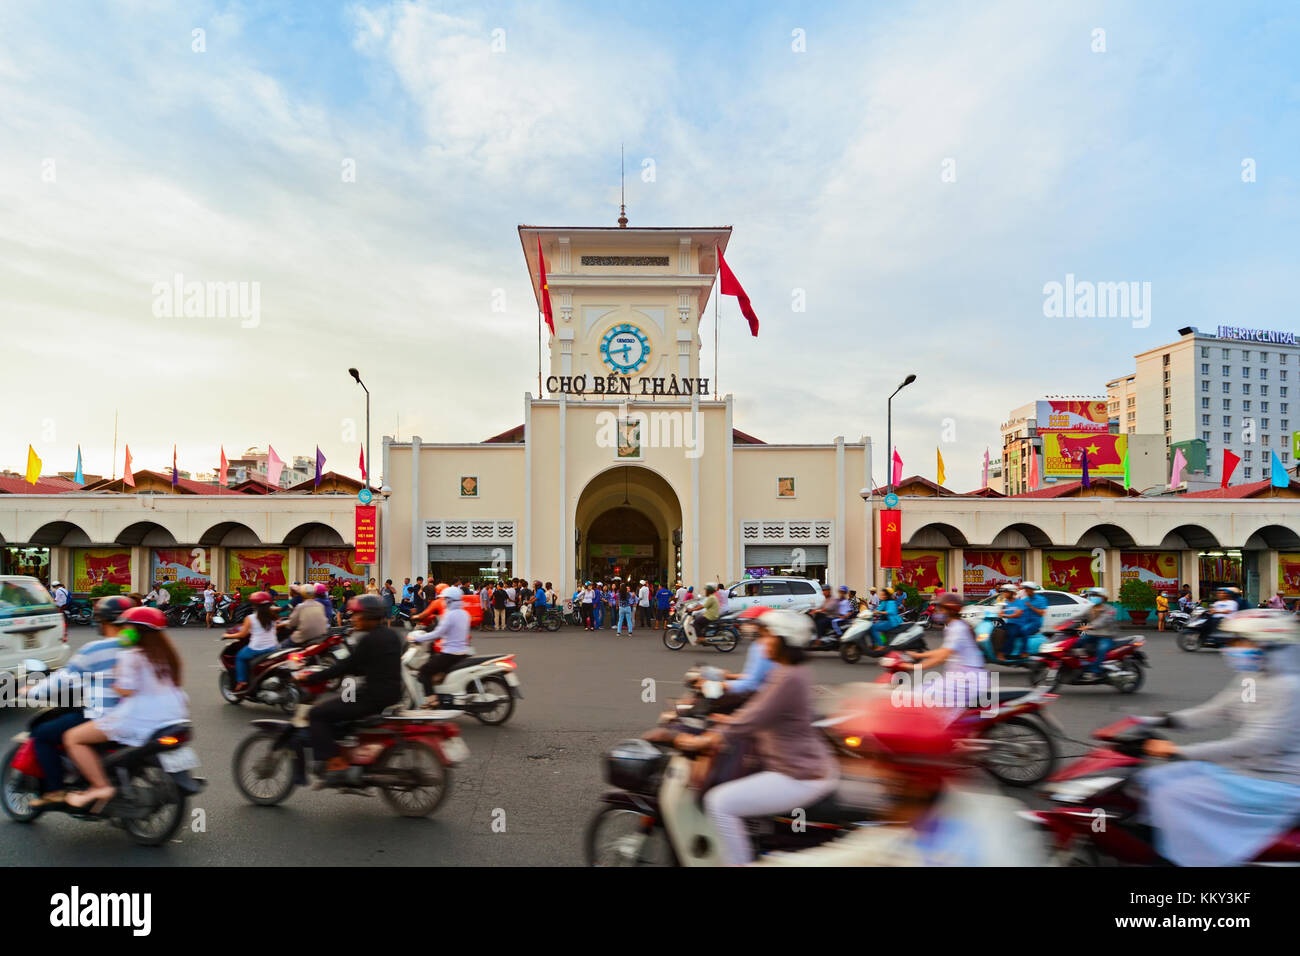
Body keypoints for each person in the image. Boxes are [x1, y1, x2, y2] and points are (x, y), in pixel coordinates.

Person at [757, 690, 1044, 867]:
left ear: (906, 780)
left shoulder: (915, 848)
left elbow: (855, 856)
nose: (863, 770)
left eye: (876, 761)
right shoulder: (976, 812)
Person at [675, 609, 838, 866]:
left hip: (797, 774)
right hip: (799, 765)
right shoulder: (789, 671)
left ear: (784, 640)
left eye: (767, 637)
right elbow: (758, 710)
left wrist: (705, 739)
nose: (762, 643)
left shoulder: (788, 678)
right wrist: (726, 721)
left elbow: (754, 716)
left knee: (720, 802)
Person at [1139, 609, 1300, 866]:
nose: (1233, 648)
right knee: (1152, 779)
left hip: (1276, 781)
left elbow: (1256, 743)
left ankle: (1192, 859)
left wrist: (1178, 752)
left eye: (1240, 641)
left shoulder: (1290, 688)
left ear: (1266, 643)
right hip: (1246, 771)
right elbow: (1216, 711)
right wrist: (1160, 720)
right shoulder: (1253, 678)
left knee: (1174, 794)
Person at [61, 606, 189, 811]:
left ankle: (100, 786)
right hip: (175, 715)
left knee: (72, 738)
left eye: (127, 627)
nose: (123, 631)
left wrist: (113, 681)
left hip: (137, 718)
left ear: (136, 630)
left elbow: (125, 690)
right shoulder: (169, 655)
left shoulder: (132, 655)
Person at [24, 595, 137, 807]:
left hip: (105, 716)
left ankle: (55, 790)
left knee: (42, 734)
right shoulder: (138, 646)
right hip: (140, 716)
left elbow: (64, 679)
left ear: (102, 621)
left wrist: (32, 691)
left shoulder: (95, 649)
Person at [298, 595, 403, 780]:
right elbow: (370, 665)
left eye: (357, 614)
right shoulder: (392, 635)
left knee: (317, 714)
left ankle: (335, 762)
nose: (353, 618)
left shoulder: (369, 640)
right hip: (391, 694)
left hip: (372, 697)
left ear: (369, 616)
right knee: (343, 702)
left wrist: (312, 678)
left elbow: (345, 667)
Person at [900, 590, 984, 682]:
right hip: (958, 676)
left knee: (922, 693)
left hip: (966, 679)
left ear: (951, 611)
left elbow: (941, 657)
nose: (937, 611)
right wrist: (918, 655)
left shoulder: (957, 628)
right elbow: (942, 651)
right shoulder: (953, 626)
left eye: (940, 609)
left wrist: (913, 667)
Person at [409, 586, 471, 702]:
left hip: (449, 654)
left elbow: (437, 633)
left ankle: (432, 700)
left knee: (424, 671)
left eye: (445, 599)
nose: (444, 602)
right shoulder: (464, 614)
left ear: (450, 600)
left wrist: (420, 638)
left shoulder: (449, 615)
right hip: (463, 652)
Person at [225, 591, 279, 691]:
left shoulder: (250, 618)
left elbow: (242, 634)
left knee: (240, 657)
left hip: (257, 648)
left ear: (254, 605)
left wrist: (227, 635)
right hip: (273, 647)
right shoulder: (273, 617)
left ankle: (242, 681)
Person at [1078, 587, 1118, 678]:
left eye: (1096, 595)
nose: (1093, 597)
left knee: (1102, 649)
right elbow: (1078, 617)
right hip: (1092, 635)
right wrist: (1062, 624)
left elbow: (1103, 620)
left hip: (1106, 636)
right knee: (1077, 642)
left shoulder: (1110, 609)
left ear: (1103, 597)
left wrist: (1090, 626)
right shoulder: (1090, 609)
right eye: (1092, 595)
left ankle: (1095, 670)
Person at [283, 583, 329, 647]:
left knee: (283, 645)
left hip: (304, 637)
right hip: (320, 636)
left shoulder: (301, 606)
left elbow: (291, 623)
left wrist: (287, 625)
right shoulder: (320, 605)